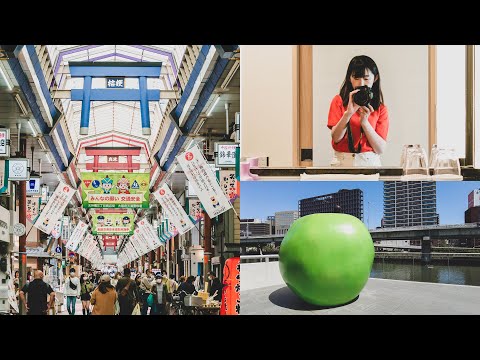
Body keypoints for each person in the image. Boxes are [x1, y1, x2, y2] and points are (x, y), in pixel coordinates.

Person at [327, 55, 389, 167]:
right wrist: (348, 114)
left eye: (366, 79)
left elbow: (380, 149)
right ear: (349, 78)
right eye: (356, 78)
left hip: (370, 163)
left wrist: (365, 123)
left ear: (375, 78)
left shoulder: (380, 108)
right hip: (342, 162)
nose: (361, 84)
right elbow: (336, 138)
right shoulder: (339, 101)